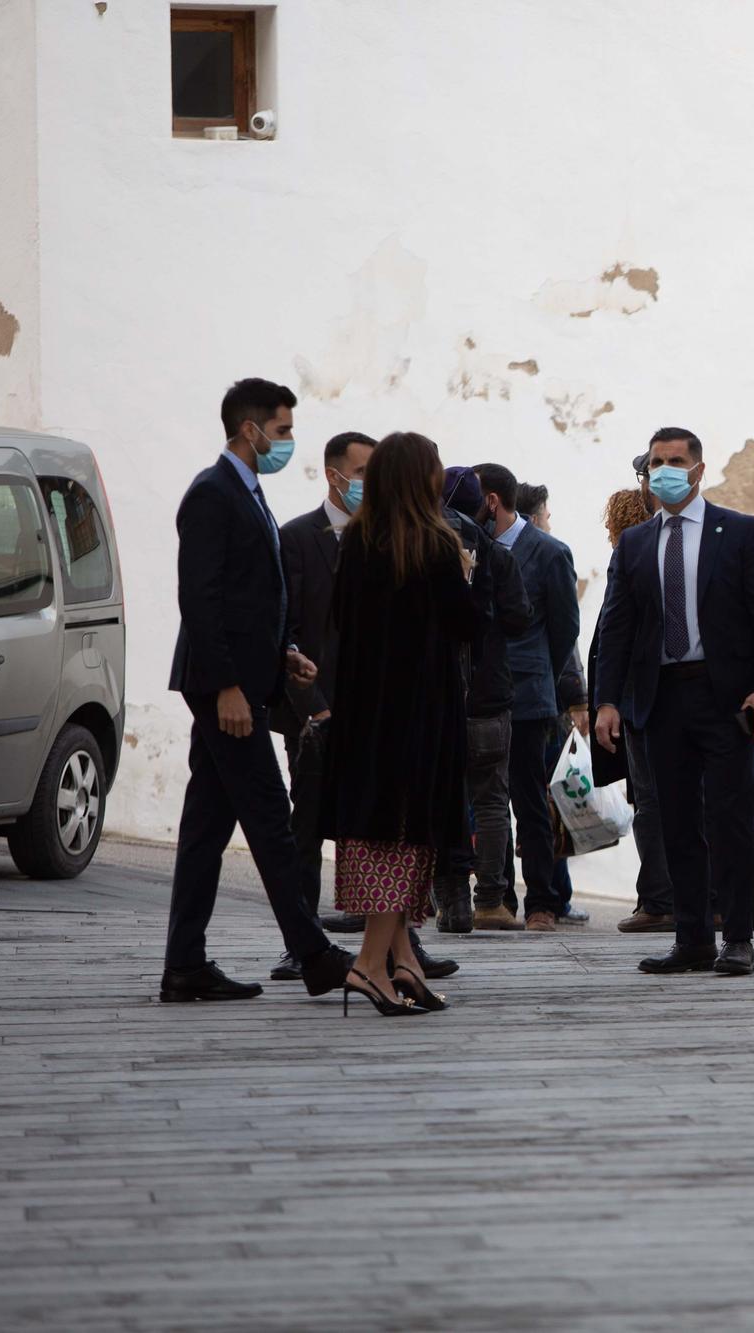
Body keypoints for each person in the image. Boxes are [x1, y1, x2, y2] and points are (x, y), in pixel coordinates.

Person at [162, 377, 353, 1004]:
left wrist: (282, 655)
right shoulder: (214, 494)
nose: (288, 443)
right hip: (226, 692)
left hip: (246, 680)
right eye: (283, 430)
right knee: (271, 816)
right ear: (250, 430)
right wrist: (227, 688)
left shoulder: (245, 493)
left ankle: (185, 964)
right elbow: (201, 599)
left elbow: (248, 599)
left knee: (206, 826)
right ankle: (313, 954)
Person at [594, 427, 754, 977]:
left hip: (725, 695)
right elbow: (617, 628)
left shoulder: (741, 532)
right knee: (674, 821)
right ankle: (692, 936)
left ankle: (739, 938)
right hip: (661, 697)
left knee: (730, 818)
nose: (665, 470)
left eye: (675, 460)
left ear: (699, 470)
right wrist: (606, 700)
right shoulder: (634, 543)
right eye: (657, 461)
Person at [322, 431, 483, 1016]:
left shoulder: (359, 542)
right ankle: (369, 966)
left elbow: (340, 621)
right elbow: (468, 623)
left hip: (365, 712)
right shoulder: (434, 546)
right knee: (407, 837)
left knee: (383, 834)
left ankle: (405, 962)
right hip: (419, 713)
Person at [268, 430, 373, 979]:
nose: (370, 487)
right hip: (313, 712)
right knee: (304, 825)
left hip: (375, 713)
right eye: (362, 475)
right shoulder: (296, 538)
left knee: (379, 828)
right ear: (335, 476)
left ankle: (396, 942)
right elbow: (285, 633)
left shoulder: (385, 539)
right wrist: (313, 706)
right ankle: (302, 941)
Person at [472, 463, 585, 931]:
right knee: (484, 800)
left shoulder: (549, 552)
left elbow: (565, 630)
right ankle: (496, 898)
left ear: (492, 501)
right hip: (479, 695)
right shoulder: (471, 546)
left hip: (529, 695)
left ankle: (542, 901)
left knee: (530, 801)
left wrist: (541, 672)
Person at [435, 465, 534, 933]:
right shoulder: (498, 556)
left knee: (441, 797)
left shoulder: (424, 543)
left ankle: (446, 897)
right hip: (490, 693)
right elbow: (518, 620)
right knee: (493, 798)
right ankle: (491, 899)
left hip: (439, 696)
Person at [590, 485, 675, 932]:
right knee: (665, 800)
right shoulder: (658, 551)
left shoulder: (630, 555)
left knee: (649, 802)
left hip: (638, 699)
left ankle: (658, 899)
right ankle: (668, 896)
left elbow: (614, 635)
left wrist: (610, 701)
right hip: (652, 696)